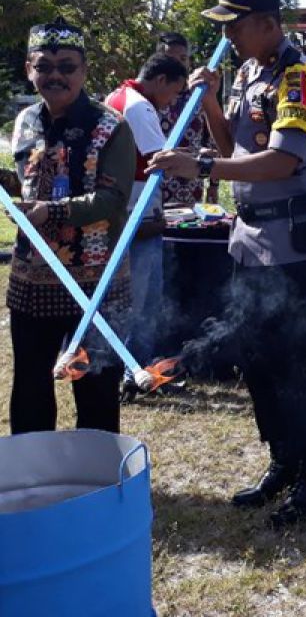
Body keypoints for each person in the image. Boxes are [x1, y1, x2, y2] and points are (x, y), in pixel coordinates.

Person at [148, 0, 306, 527]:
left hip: (292, 244)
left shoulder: (298, 76)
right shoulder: (249, 72)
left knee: (298, 362)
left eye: (235, 23)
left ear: (267, 24)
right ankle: (281, 459)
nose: (227, 34)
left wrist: (199, 166)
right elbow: (233, 146)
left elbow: (281, 161)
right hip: (249, 239)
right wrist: (207, 103)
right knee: (257, 358)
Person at [7, 18, 136, 434]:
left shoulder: (111, 126)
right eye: (44, 66)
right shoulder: (25, 120)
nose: (55, 76)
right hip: (32, 279)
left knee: (95, 386)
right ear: (29, 69)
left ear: (84, 71)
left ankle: (97, 481)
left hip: (95, 283)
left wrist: (52, 211)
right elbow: (24, 181)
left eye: (67, 66)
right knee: (29, 384)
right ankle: (34, 477)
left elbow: (112, 198)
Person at [105, 53, 188, 402]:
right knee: (140, 302)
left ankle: (138, 370)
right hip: (136, 215)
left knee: (137, 300)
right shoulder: (138, 106)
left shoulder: (117, 97)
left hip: (129, 212)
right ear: (161, 80)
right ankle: (133, 373)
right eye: (175, 92)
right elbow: (161, 160)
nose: (172, 101)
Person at [156, 31, 215, 208]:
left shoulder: (199, 95)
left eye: (183, 58)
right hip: (158, 184)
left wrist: (214, 185)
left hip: (192, 184)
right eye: (171, 59)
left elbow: (211, 140)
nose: (178, 65)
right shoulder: (152, 96)